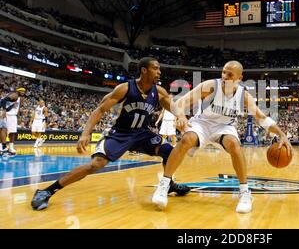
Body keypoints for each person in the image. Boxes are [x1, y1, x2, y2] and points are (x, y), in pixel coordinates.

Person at [31, 57, 191, 211]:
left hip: (142, 133)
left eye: (159, 69)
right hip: (120, 133)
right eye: (155, 68)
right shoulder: (125, 88)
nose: (159, 72)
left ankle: (168, 183)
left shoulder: (159, 91)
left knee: (170, 152)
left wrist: (182, 116)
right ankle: (47, 191)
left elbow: (174, 107)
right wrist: (86, 133)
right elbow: (100, 109)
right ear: (144, 70)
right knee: (96, 164)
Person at [152, 61, 293, 213]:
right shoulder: (210, 86)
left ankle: (245, 192)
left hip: (224, 127)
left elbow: (261, 117)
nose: (225, 76)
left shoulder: (243, 96)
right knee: (186, 139)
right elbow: (181, 102)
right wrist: (179, 116)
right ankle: (164, 184)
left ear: (239, 78)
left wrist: (281, 134)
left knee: (234, 144)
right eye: (223, 72)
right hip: (202, 123)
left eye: (230, 74)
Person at [0, 87, 27, 154]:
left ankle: (10, 147)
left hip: (12, 116)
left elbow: (16, 108)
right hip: (7, 114)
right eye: (21, 91)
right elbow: (3, 101)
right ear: (18, 91)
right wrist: (4, 110)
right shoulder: (14, 95)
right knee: (3, 130)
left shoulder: (19, 98)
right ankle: (3, 146)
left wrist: (18, 117)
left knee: (12, 132)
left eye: (24, 91)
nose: (23, 92)